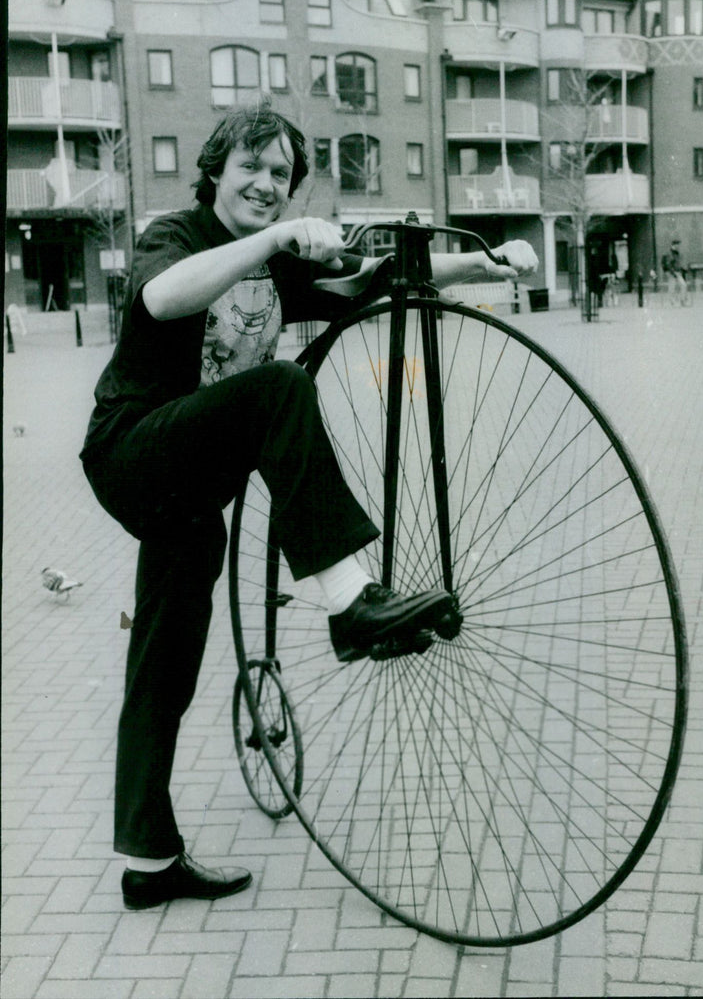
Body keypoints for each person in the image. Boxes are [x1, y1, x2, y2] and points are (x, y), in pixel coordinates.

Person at [79, 96, 538, 911]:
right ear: (215, 169)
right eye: (251, 167)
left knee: (163, 666)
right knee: (279, 390)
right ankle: (348, 601)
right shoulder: (175, 236)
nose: (265, 184)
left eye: (281, 176)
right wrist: (270, 239)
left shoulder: (278, 264)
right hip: (132, 453)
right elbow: (161, 300)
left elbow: (370, 284)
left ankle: (148, 862)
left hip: (191, 495)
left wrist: (488, 263)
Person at [662, 240, 688, 306]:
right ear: (673, 245)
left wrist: (682, 269)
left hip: (677, 272)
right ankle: (671, 301)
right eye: (677, 245)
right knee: (672, 287)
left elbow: (677, 263)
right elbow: (668, 264)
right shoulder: (669, 253)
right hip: (672, 273)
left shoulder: (676, 253)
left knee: (683, 285)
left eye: (678, 245)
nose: (678, 246)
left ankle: (682, 300)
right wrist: (672, 272)